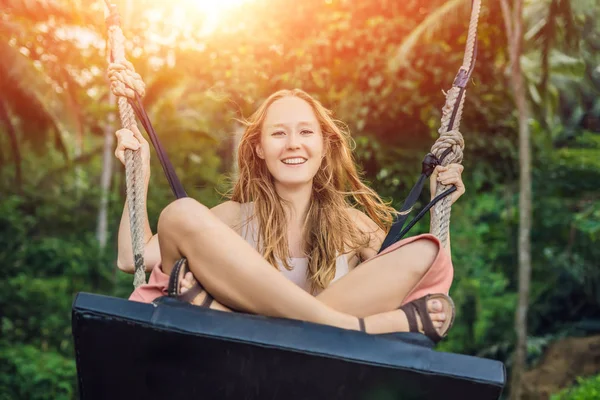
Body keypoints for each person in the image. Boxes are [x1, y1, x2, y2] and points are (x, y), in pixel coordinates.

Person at [114, 89, 465, 342]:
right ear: (260, 148)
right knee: (181, 213)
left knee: (427, 251)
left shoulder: (355, 228)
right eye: (279, 133)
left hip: (322, 369)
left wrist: (437, 203)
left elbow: (426, 289)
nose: (293, 143)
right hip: (240, 361)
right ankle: (346, 326)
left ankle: (253, 325)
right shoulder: (233, 219)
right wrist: (139, 176)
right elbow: (134, 257)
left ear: (324, 145)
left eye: (306, 132)